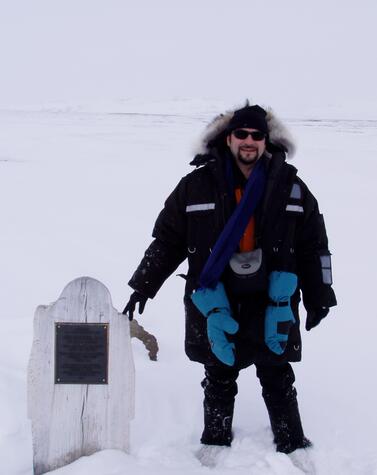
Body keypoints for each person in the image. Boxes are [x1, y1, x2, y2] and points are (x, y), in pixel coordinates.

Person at [123, 103, 337, 455]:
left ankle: (292, 442)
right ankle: (216, 441)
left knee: (276, 372)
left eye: (257, 135)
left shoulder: (292, 188)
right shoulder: (195, 186)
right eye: (242, 134)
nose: (249, 141)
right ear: (228, 138)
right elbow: (168, 241)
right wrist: (142, 285)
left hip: (272, 297)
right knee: (219, 373)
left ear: (267, 141)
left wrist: (320, 296)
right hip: (218, 296)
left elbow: (314, 246)